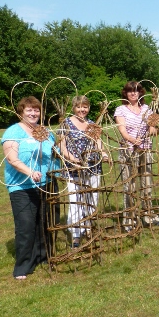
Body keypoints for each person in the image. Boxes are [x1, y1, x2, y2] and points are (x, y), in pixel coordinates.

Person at [2, 96, 57, 279]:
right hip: (21, 186)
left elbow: (57, 153)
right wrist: (30, 172)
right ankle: (23, 266)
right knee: (26, 225)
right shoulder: (13, 132)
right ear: (21, 112)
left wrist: (73, 160)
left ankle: (42, 256)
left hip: (46, 183)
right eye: (29, 110)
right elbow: (12, 159)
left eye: (36, 110)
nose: (33, 113)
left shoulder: (45, 132)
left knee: (45, 222)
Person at [59, 96, 109, 248]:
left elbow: (98, 141)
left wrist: (103, 153)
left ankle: (87, 227)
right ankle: (75, 233)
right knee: (75, 199)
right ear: (73, 108)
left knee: (91, 198)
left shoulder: (92, 123)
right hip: (74, 167)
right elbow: (61, 146)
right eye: (79, 107)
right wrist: (73, 159)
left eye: (85, 107)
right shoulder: (65, 123)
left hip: (92, 166)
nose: (82, 110)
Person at [114, 81, 159, 229]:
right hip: (128, 150)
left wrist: (151, 130)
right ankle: (129, 219)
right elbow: (122, 129)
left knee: (147, 183)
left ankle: (149, 215)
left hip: (145, 149)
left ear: (140, 93)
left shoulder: (147, 109)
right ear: (125, 93)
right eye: (130, 91)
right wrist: (132, 140)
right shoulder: (121, 109)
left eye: (136, 90)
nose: (133, 93)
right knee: (130, 185)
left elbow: (153, 128)